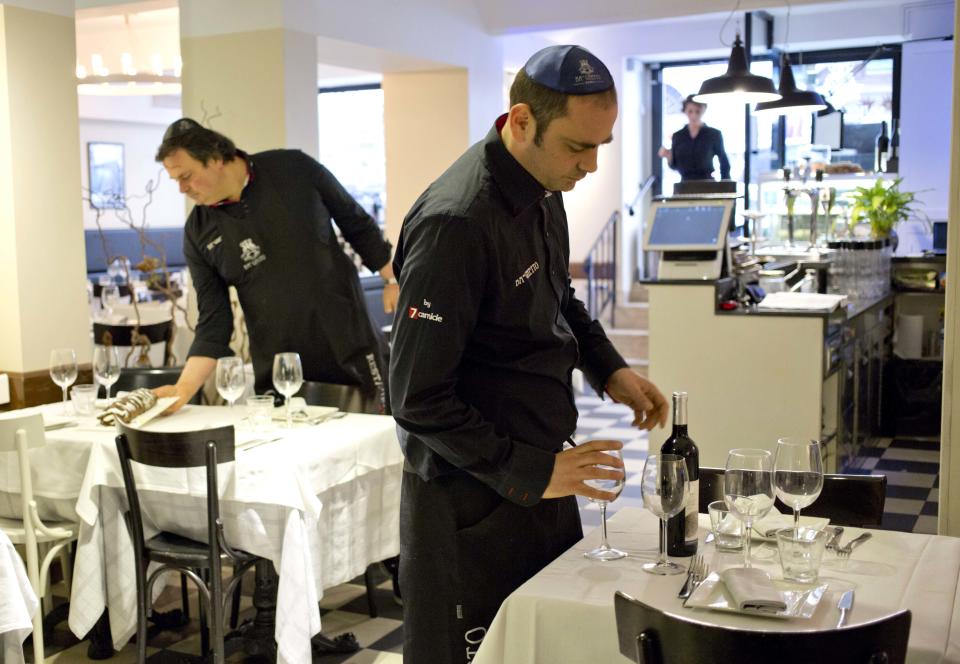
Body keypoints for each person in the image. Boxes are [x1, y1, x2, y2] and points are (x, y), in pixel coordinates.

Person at [389, 45, 669, 663]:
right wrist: (531, 472)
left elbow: (557, 295)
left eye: (602, 146)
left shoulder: (545, 186)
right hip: (469, 501)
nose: (592, 166)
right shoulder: (457, 222)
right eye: (578, 147)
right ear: (521, 122)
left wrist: (608, 368)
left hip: (541, 477)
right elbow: (415, 398)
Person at [153, 119, 396, 413]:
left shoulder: (293, 169)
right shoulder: (199, 231)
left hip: (349, 348)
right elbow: (213, 322)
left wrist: (393, 280)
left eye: (186, 176)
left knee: (374, 447)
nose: (182, 189)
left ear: (216, 158)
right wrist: (182, 390)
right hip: (280, 374)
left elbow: (356, 222)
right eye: (175, 180)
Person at [658, 94, 731, 181]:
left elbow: (723, 161)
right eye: (690, 111)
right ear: (685, 111)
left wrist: (725, 184)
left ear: (704, 110)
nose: (694, 115)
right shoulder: (678, 136)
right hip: (684, 185)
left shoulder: (714, 134)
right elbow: (674, 166)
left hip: (707, 183)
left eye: (697, 111)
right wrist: (668, 156)